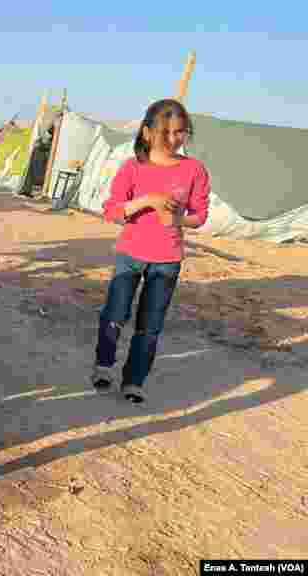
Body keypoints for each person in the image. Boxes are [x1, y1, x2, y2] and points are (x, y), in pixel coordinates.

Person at [91, 99, 210, 404]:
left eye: (180, 133)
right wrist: (148, 200)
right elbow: (113, 212)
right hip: (131, 253)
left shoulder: (194, 170)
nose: (173, 139)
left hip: (168, 259)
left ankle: (134, 382)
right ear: (147, 132)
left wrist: (178, 220)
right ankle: (104, 365)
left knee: (150, 325)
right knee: (116, 313)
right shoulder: (133, 168)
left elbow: (200, 216)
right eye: (166, 132)